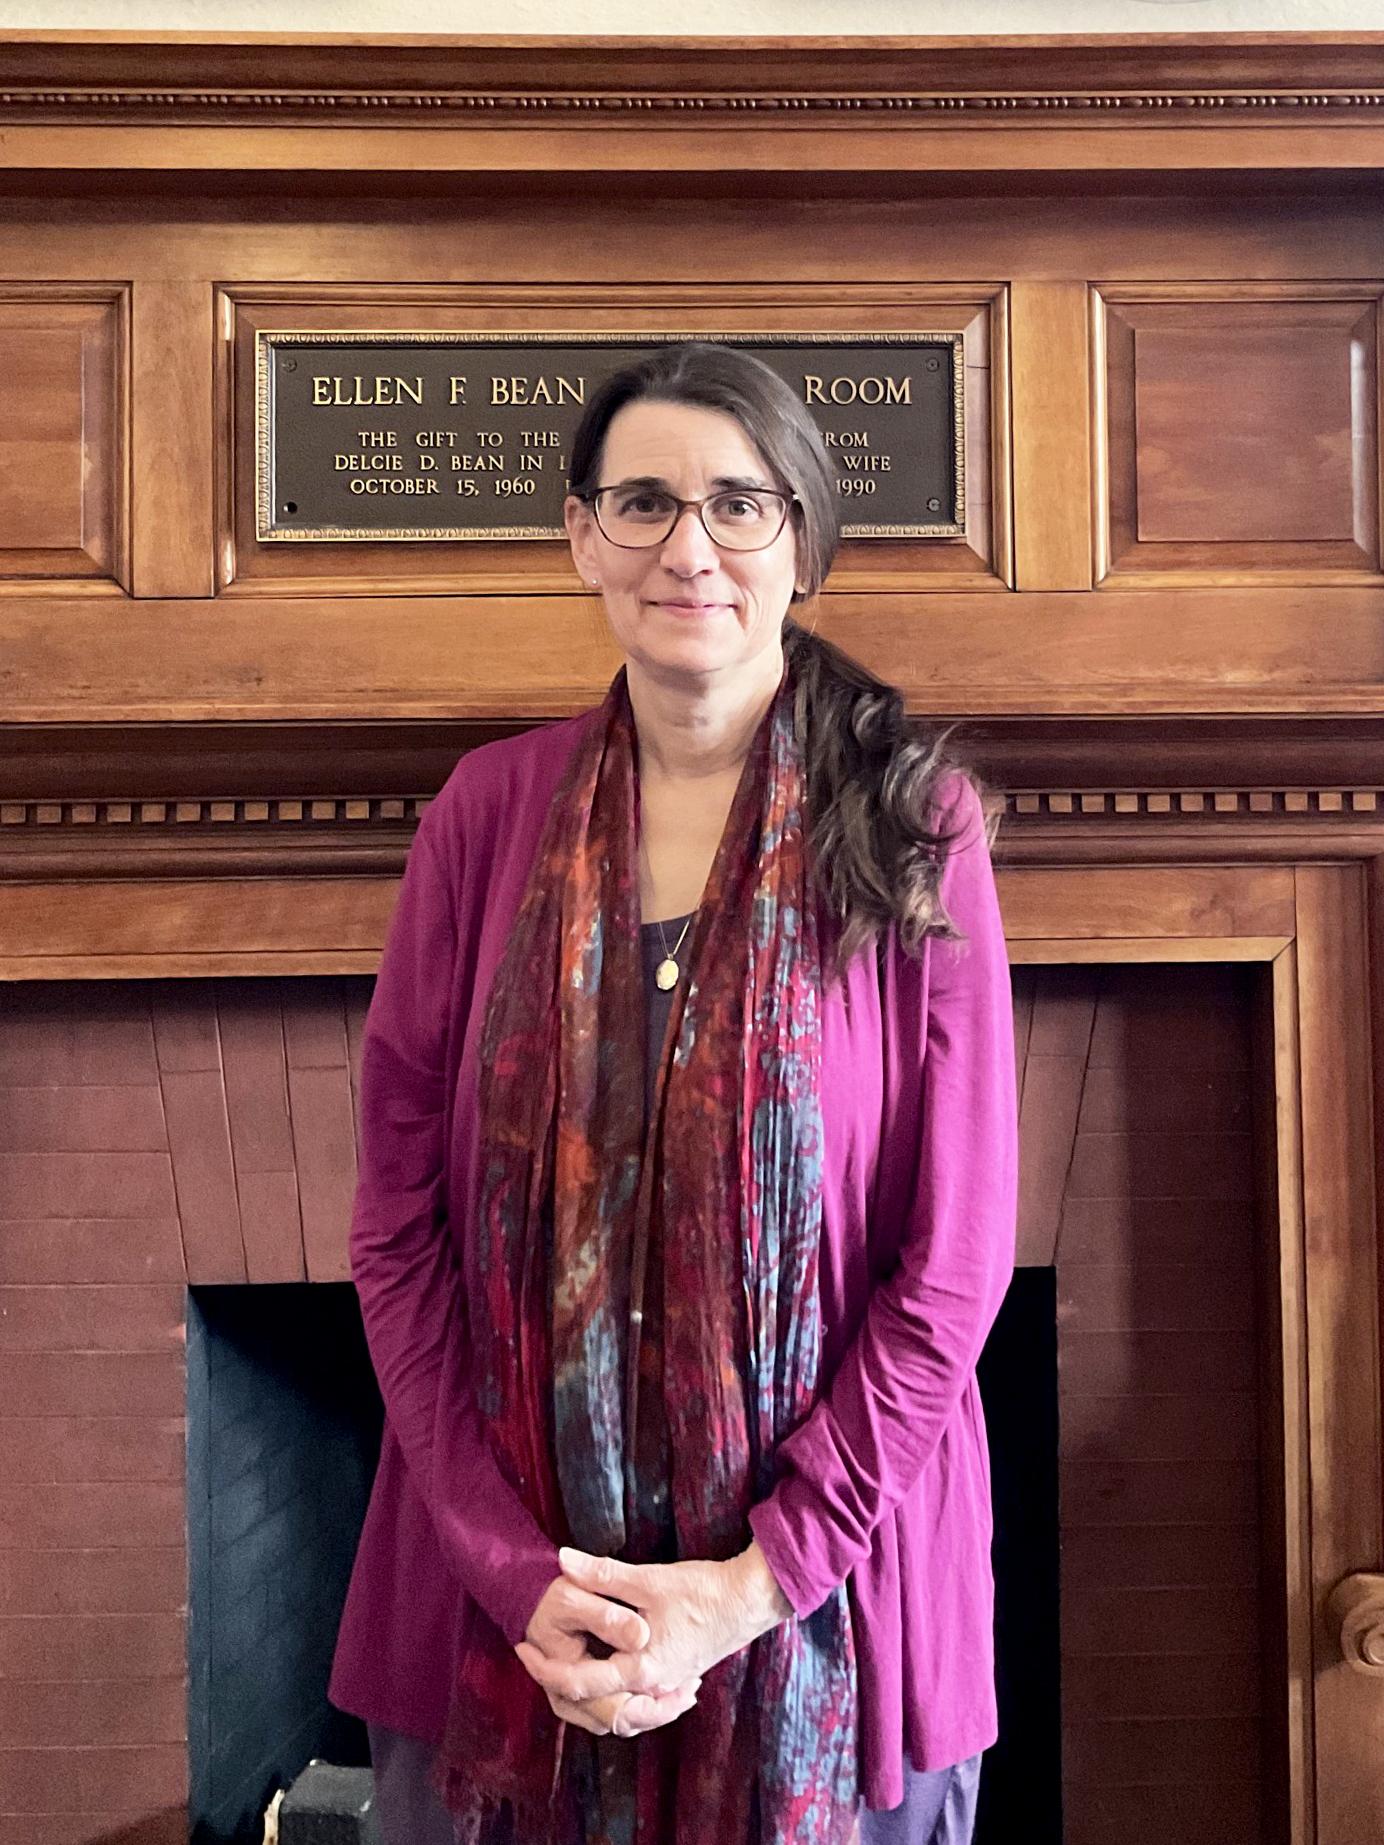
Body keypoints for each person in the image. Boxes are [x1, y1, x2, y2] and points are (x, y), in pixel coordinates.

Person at [329, 342, 1017, 1845]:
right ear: (581, 536)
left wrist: (747, 1589)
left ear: (803, 538)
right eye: (641, 502)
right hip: (500, 1625)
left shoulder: (916, 826)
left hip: (834, 1606)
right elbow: (397, 1232)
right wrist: (518, 1574)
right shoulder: (483, 818)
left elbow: (952, 1269)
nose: (687, 548)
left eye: (736, 504)